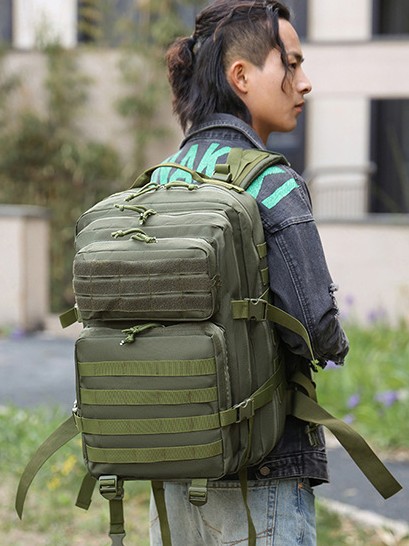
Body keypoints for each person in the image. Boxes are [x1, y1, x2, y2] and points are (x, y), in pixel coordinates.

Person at [149, 1, 349, 544]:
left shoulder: (161, 180)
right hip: (264, 470)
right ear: (241, 76)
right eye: (291, 64)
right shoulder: (271, 183)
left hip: (171, 470)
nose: (304, 83)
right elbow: (316, 325)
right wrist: (337, 343)